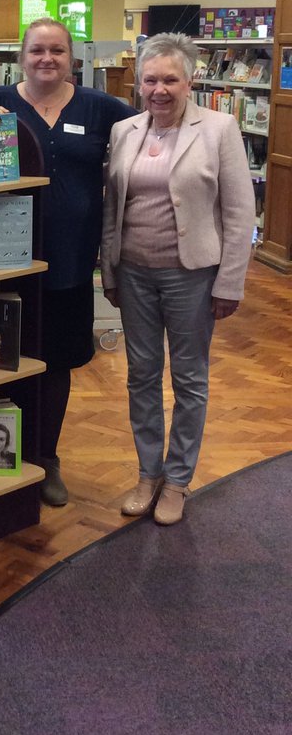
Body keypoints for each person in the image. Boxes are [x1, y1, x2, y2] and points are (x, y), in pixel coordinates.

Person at [0, 17, 136, 506]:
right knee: (5, 360)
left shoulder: (102, 108)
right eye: (38, 50)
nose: (47, 59)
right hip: (6, 259)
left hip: (69, 259)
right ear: (21, 57)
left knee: (57, 362)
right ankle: (1, 455)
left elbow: (154, 129)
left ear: (72, 59)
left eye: (58, 51)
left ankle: (46, 458)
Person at [101, 32, 254, 526]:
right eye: (150, 79)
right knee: (141, 376)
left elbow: (238, 210)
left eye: (170, 79)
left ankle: (179, 480)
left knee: (189, 380)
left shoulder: (219, 128)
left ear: (190, 80)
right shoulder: (125, 130)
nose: (159, 89)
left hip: (192, 275)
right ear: (138, 83)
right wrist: (110, 269)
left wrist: (229, 281)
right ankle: (149, 475)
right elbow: (112, 209)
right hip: (135, 274)